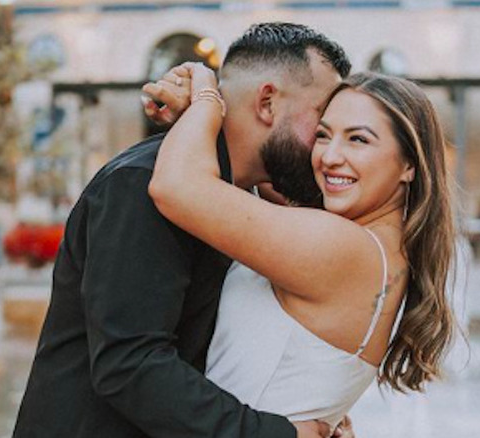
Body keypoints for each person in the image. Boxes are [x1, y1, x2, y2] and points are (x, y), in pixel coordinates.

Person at [13, 23, 351, 438]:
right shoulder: (141, 183)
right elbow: (131, 365)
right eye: (320, 123)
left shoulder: (236, 196)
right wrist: (278, 433)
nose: (327, 147)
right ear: (266, 103)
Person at [148, 63, 457, 429]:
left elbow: (176, 187)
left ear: (409, 164)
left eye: (358, 139)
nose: (329, 157)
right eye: (324, 135)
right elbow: (258, 175)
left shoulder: (340, 247)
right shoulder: (380, 251)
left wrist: (206, 96)